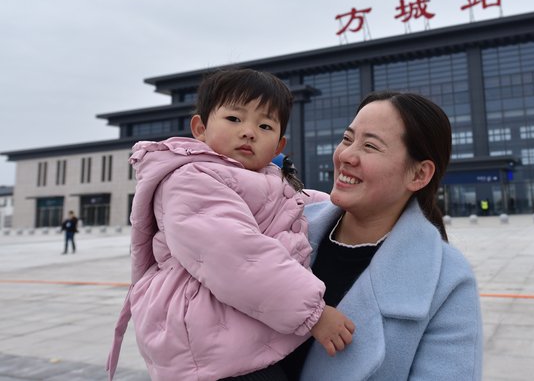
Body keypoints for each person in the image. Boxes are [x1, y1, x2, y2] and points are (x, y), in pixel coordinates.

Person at [106, 68, 354, 381]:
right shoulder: (190, 179)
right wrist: (313, 314)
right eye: (234, 119)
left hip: (240, 337)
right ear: (200, 128)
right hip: (208, 348)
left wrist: (351, 203)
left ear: (279, 146)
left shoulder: (266, 179)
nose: (249, 132)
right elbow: (237, 255)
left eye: (264, 125)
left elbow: (302, 201)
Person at [280, 91, 483, 380]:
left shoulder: (448, 280)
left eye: (370, 146)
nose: (346, 155)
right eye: (347, 139)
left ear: (419, 175)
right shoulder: (286, 224)